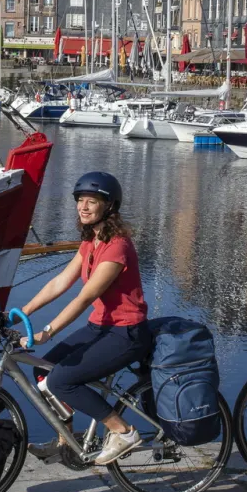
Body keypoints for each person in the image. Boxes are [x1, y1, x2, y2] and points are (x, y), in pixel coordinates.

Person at [18, 171, 151, 465]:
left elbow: (85, 297)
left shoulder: (117, 246)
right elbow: (60, 282)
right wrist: (20, 313)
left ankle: (124, 431)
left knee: (62, 381)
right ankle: (66, 440)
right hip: (100, 327)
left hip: (125, 333)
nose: (84, 207)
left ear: (109, 207)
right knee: (42, 371)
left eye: (92, 201)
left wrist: (47, 332)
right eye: (80, 200)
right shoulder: (91, 240)